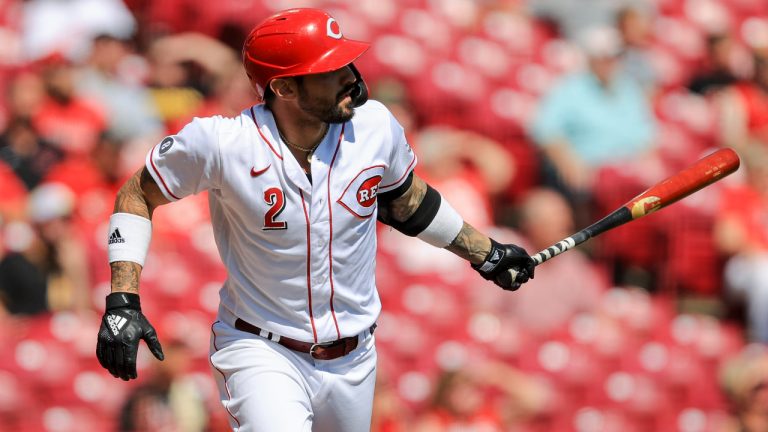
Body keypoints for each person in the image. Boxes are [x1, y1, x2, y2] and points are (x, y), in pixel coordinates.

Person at [94, 8, 536, 432]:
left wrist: (487, 253)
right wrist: (123, 300)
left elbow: (407, 201)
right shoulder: (222, 143)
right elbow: (136, 194)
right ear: (284, 88)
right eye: (330, 69)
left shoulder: (375, 127)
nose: (350, 77)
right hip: (261, 349)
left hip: (354, 358)